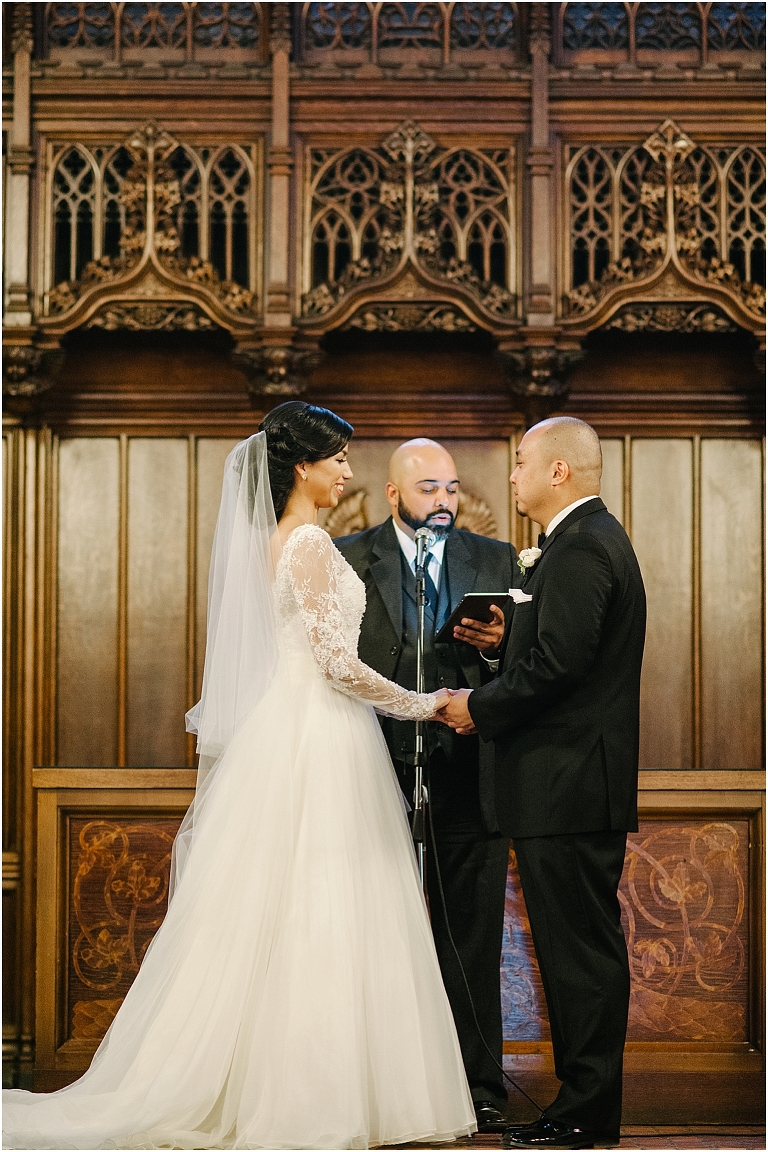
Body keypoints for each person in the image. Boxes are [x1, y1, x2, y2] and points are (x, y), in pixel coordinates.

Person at [3, 403, 477, 1151]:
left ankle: (268, 1082)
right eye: (340, 458)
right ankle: (310, 1097)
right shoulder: (312, 543)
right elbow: (337, 664)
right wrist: (430, 705)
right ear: (303, 467)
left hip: (283, 730)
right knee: (325, 905)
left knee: (282, 911)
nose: (349, 471)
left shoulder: (269, 541)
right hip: (320, 735)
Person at [438, 416, 646, 1151]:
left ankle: (589, 1114)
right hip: (564, 787)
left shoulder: (584, 546)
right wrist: (505, 647)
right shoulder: (575, 545)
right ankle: (581, 1106)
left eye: (522, 462)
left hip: (569, 788)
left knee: (581, 956)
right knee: (571, 953)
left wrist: (476, 706)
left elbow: (563, 668)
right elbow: (556, 652)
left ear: (559, 471)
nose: (514, 475)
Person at [335, 438, 517, 1132]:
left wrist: (497, 646)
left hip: (466, 763)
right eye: (427, 490)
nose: (443, 502)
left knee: (471, 926)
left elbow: (520, 661)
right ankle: (373, 1081)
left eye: (450, 488)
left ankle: (477, 1086)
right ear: (392, 495)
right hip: (372, 761)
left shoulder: (495, 560)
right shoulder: (349, 556)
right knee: (368, 923)